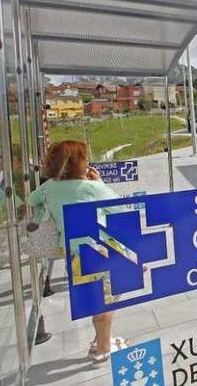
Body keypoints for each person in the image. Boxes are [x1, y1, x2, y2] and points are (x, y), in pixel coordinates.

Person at [27, 140, 126, 363]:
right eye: (85, 158)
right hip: (102, 251)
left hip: (73, 252)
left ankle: (99, 340)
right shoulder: (92, 187)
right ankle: (103, 347)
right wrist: (100, 182)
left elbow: (31, 200)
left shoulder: (49, 187)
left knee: (94, 298)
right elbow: (119, 207)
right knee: (107, 301)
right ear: (78, 163)